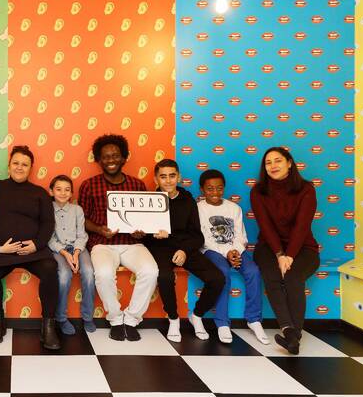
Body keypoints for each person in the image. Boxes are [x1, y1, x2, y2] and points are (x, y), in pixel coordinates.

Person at [0, 145, 60, 350]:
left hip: (32, 251)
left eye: (24, 164)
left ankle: (48, 324)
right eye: (15, 163)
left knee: (51, 269)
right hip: (1, 251)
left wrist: (36, 244)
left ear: (30, 168)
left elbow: (48, 223)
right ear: (9, 166)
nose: (19, 167)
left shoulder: (39, 193)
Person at [78, 134, 158, 342]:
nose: (111, 160)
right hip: (102, 243)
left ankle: (131, 320)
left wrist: (141, 231)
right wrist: (99, 228)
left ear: (124, 158)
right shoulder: (89, 185)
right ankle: (115, 319)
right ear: (98, 160)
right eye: (105, 157)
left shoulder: (137, 185)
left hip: (132, 243)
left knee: (151, 271)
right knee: (103, 274)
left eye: (115, 156)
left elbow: (146, 220)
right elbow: (82, 219)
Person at [144, 159, 224, 343]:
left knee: (217, 278)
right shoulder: (148, 201)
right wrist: (148, 234)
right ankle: (173, 318)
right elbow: (145, 236)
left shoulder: (188, 200)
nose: (168, 180)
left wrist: (184, 250)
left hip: (184, 248)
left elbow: (197, 236)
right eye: (163, 176)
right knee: (164, 276)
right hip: (160, 249)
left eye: (172, 176)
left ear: (178, 177)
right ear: (156, 179)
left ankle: (197, 316)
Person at [251, 147, 320, 355]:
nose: (273, 166)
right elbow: (266, 226)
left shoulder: (306, 189)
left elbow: (302, 226)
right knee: (271, 277)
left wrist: (289, 255)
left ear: (289, 163)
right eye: (268, 162)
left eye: (278, 160)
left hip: (303, 247)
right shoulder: (258, 191)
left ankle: (294, 335)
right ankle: (289, 331)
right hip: (268, 246)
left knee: (292, 277)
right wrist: (280, 254)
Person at [197, 169, 269, 345]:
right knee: (222, 272)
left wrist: (235, 251)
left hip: (235, 250)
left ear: (224, 188)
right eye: (210, 189)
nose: (215, 192)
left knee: (253, 271)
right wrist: (226, 253)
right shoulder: (198, 209)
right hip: (211, 250)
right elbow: (203, 238)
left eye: (219, 188)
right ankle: (222, 322)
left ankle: (254, 320)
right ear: (202, 190)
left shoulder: (234, 208)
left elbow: (240, 236)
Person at [48, 175, 95, 335]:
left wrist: (75, 253)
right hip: (57, 250)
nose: (63, 193)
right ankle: (61, 318)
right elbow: (49, 238)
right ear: (51, 191)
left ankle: (88, 316)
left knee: (88, 272)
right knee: (64, 275)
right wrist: (65, 254)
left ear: (71, 193)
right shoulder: (47, 210)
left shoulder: (77, 210)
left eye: (67, 189)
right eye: (58, 189)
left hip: (78, 247)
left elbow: (82, 235)